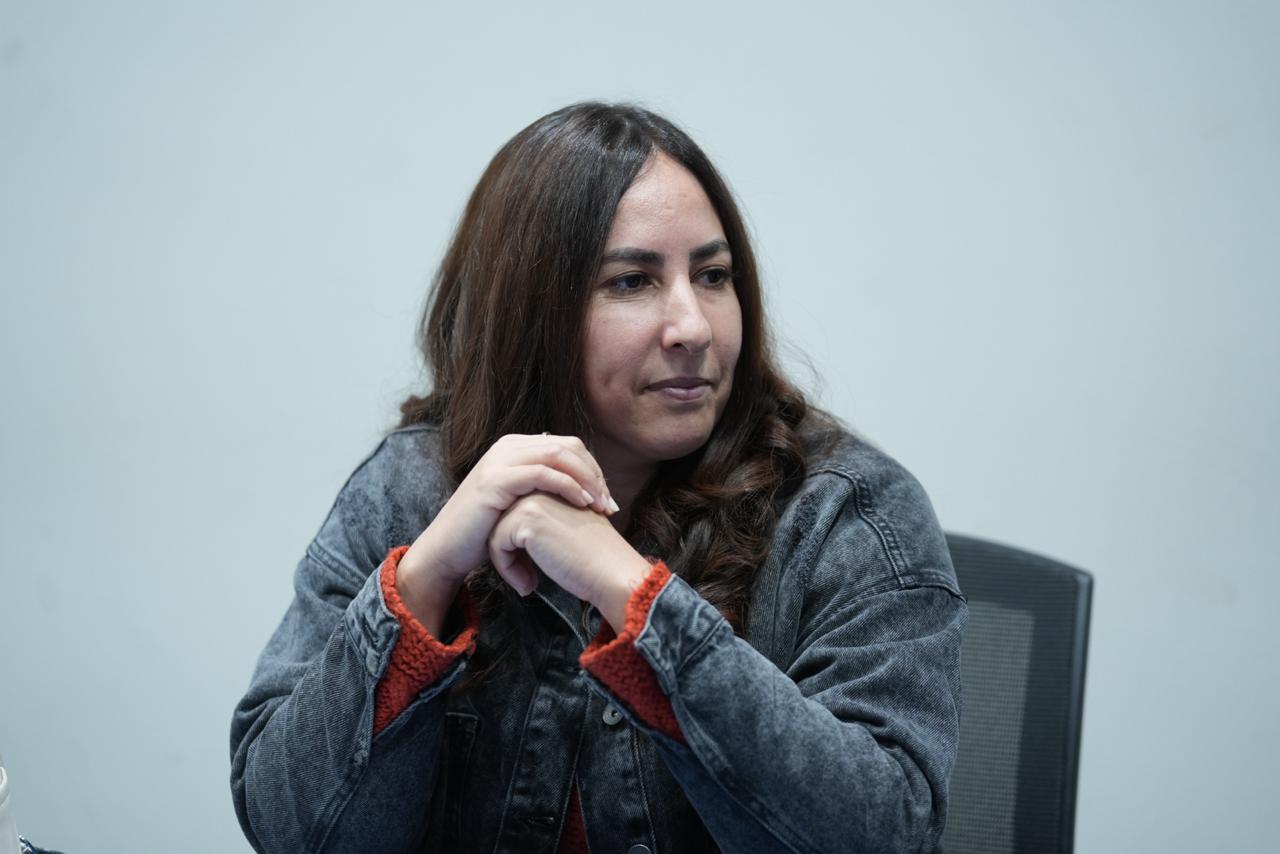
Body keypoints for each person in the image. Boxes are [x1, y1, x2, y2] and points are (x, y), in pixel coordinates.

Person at [230, 102, 967, 854]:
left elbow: (887, 834)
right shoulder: (411, 488)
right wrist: (423, 583)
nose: (693, 327)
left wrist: (634, 596)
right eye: (632, 282)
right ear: (531, 311)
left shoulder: (850, 513)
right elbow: (290, 828)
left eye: (713, 276)